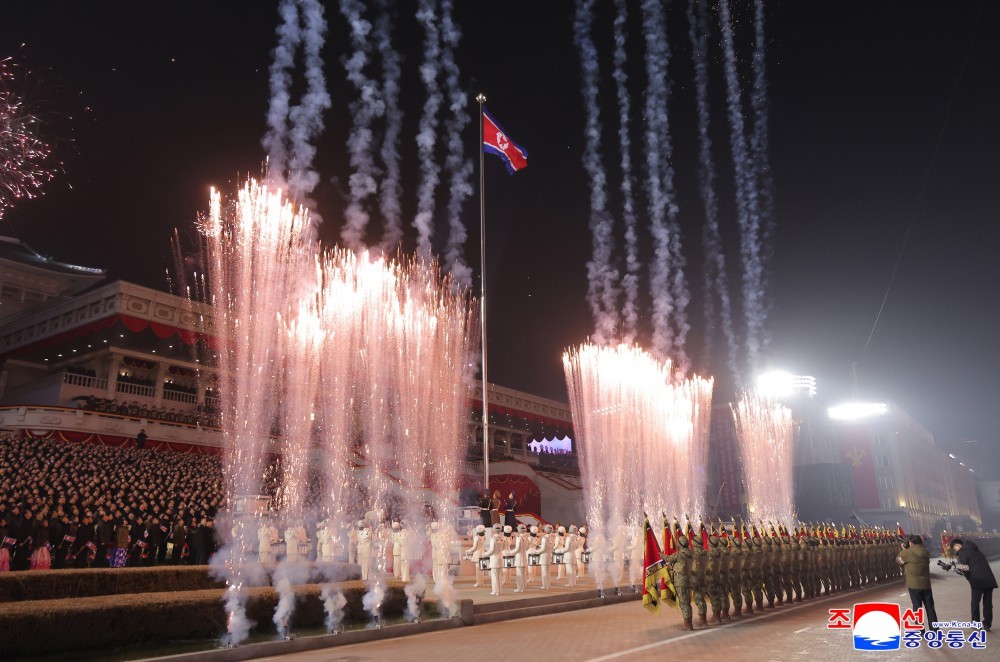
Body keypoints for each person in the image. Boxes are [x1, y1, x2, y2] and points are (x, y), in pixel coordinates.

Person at [950, 538, 997, 632]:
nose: (956, 550)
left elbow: (966, 567)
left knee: (975, 602)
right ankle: (987, 624)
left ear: (958, 545)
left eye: (955, 548)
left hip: (977, 580)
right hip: (988, 579)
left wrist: (966, 575)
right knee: (987, 603)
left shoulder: (963, 552)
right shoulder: (976, 550)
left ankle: (975, 623)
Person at [897, 534, 938, 630]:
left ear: (911, 543)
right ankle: (934, 629)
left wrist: (904, 550)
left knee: (917, 607)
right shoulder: (925, 551)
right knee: (930, 607)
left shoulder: (907, 552)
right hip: (925, 583)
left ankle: (920, 630)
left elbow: (899, 560)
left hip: (913, 584)